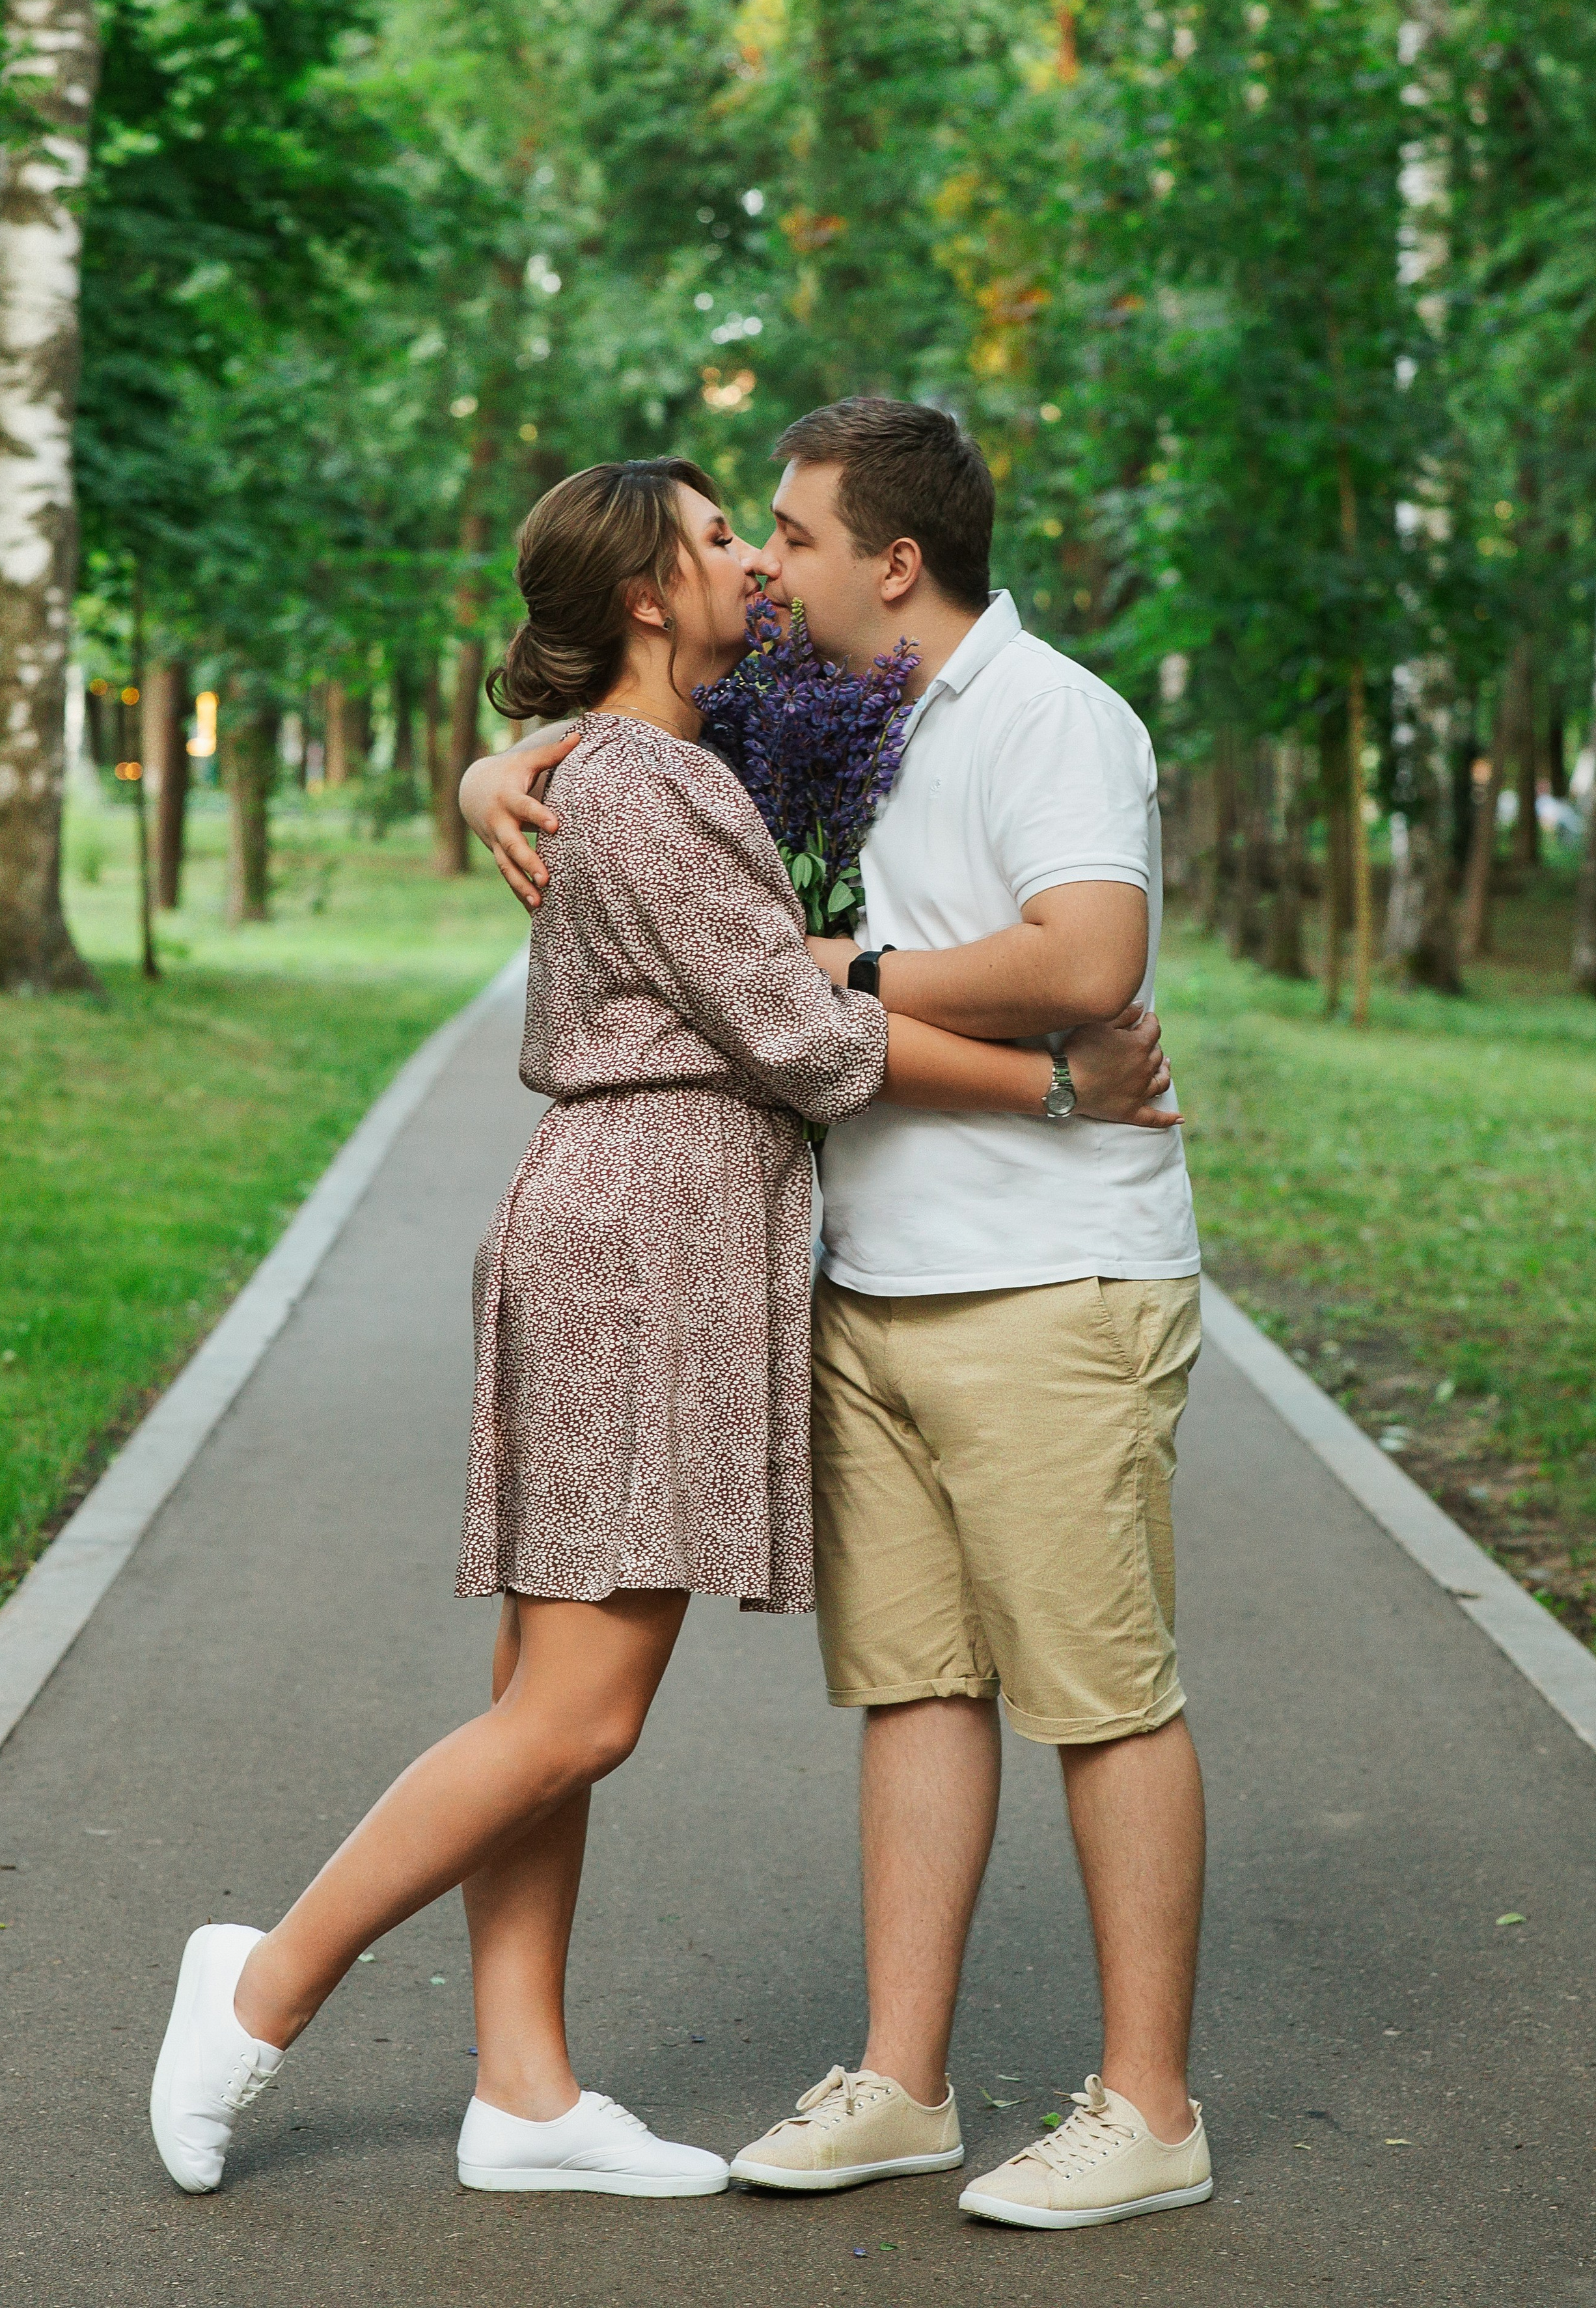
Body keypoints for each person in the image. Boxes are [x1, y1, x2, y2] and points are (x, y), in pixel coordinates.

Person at [150, 456, 1108, 2205]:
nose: (757, 557)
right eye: (724, 537)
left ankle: (524, 2091)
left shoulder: (658, 761)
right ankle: (261, 1982)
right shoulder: (656, 784)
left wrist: (504, 753)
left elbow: (716, 781)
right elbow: (800, 1038)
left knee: (544, 1686)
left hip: (632, 1217)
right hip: (636, 1238)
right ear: (649, 599)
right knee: (580, 1711)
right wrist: (1059, 1081)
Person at [461, 399, 1210, 2234]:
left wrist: (835, 965)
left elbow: (1087, 966)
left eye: (788, 538)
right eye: (751, 542)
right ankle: (907, 2079)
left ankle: (1147, 2106)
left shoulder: (1049, 715)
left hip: (1046, 1276)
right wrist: (503, 767)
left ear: (894, 562)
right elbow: (623, 753)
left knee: (1100, 1698)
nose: (766, 570)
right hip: (872, 1276)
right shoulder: (833, 722)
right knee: (917, 1691)